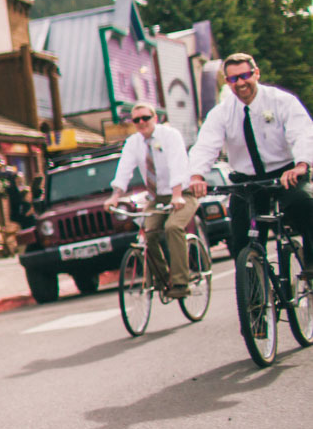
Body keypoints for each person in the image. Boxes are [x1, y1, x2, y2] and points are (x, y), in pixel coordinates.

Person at [186, 52, 313, 267]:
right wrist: (197, 175)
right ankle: (253, 294)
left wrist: (301, 165)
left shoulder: (282, 101)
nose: (241, 83)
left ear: (256, 74)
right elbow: (206, 145)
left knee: (306, 206)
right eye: (234, 79)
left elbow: (302, 133)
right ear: (227, 82)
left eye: (245, 75)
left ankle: (311, 269)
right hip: (248, 183)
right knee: (242, 242)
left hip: (285, 174)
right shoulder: (222, 113)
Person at [104, 103, 193, 298]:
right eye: (136, 120)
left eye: (146, 118)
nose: (141, 122)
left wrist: (177, 194)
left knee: (173, 228)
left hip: (182, 193)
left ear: (155, 118)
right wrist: (115, 196)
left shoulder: (170, 135)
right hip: (157, 196)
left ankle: (181, 282)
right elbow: (124, 170)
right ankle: (162, 279)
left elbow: (177, 164)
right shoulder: (133, 143)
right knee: (148, 234)